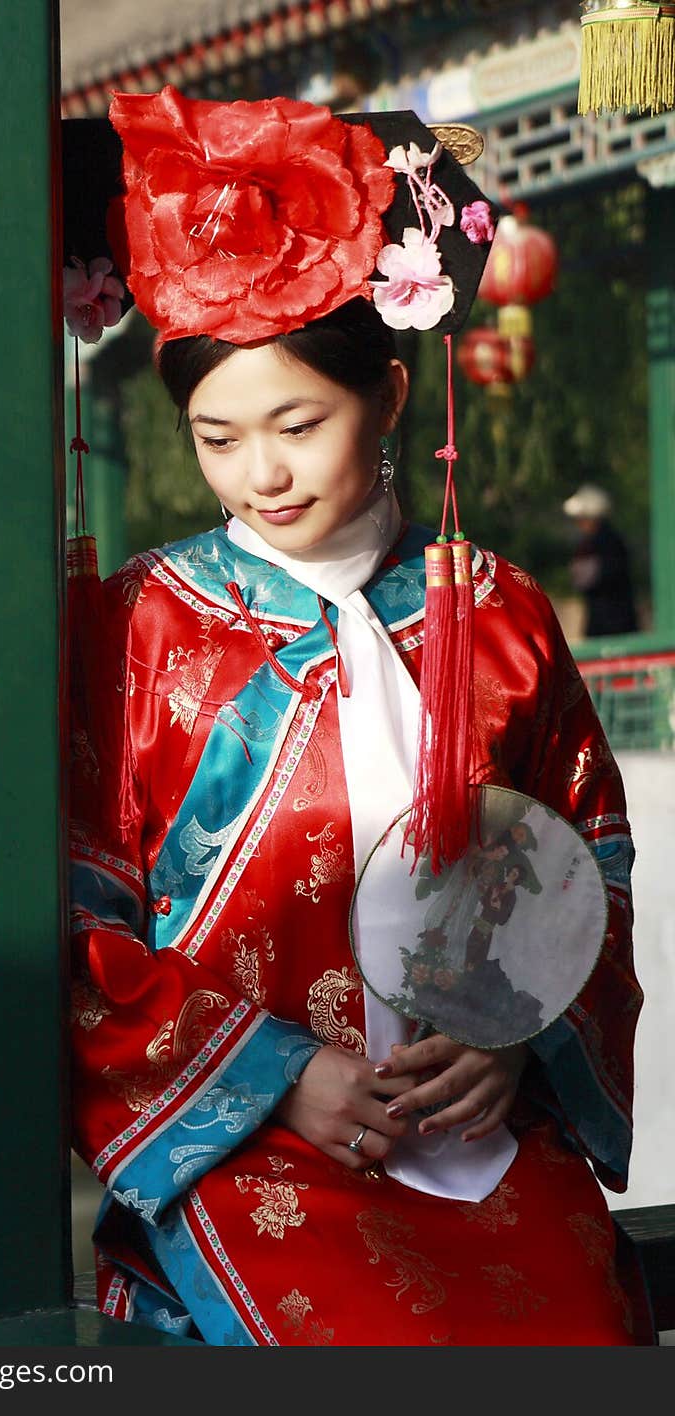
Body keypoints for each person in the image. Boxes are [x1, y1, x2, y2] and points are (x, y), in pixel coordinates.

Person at [67, 88, 647, 1346]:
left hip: (480, 1133)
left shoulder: (496, 612)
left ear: (388, 400)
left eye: (297, 425)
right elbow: (75, 918)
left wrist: (519, 1040)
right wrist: (280, 1080)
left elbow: (586, 853)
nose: (259, 475)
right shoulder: (136, 627)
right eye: (216, 439)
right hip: (247, 1151)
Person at [563, 483, 638, 637]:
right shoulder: (601, 541)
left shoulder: (605, 543)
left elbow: (591, 578)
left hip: (612, 624)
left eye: (582, 519)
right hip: (608, 622)